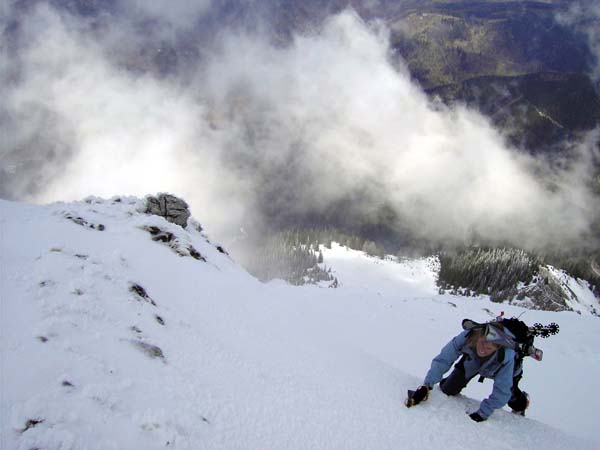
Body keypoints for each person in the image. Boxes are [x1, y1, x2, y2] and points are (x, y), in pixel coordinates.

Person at [406, 322, 529, 422]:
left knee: (511, 396)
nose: (483, 350)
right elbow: (444, 359)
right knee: (448, 389)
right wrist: (427, 385)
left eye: (489, 348)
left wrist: (483, 413)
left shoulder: (506, 355)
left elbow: (502, 391)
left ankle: (523, 402)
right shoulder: (468, 336)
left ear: (497, 348)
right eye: (482, 343)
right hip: (473, 360)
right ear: (478, 336)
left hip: (498, 369)